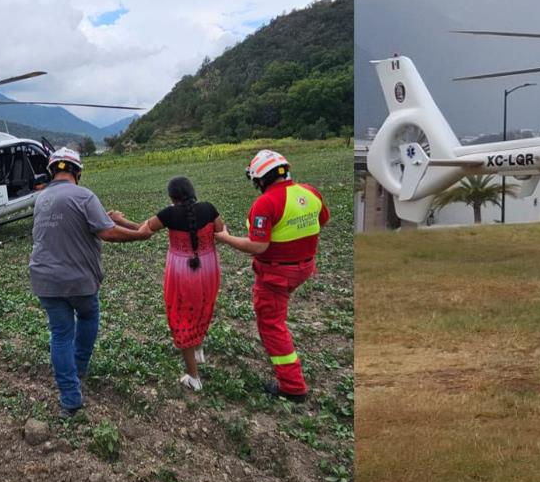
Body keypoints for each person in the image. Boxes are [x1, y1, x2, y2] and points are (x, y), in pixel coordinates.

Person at [29, 147, 151, 418]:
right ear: (78, 172)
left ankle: (69, 400)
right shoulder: (84, 195)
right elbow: (108, 233)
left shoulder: (40, 199)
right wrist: (139, 234)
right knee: (88, 315)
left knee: (60, 334)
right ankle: (79, 366)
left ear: (53, 172)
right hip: (78, 280)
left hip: (43, 278)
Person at [215, 149, 328, 402]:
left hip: (276, 275)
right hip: (304, 267)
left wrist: (225, 238)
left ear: (261, 179)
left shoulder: (266, 203)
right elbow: (322, 220)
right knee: (277, 316)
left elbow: (258, 246)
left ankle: (293, 386)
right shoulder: (310, 192)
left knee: (272, 325)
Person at [109, 177, 222, 392]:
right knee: (202, 307)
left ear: (172, 196)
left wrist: (119, 221)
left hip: (182, 272)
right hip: (208, 267)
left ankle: (193, 377)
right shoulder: (209, 209)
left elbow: (142, 232)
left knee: (181, 317)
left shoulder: (168, 214)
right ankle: (198, 351)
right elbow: (220, 229)